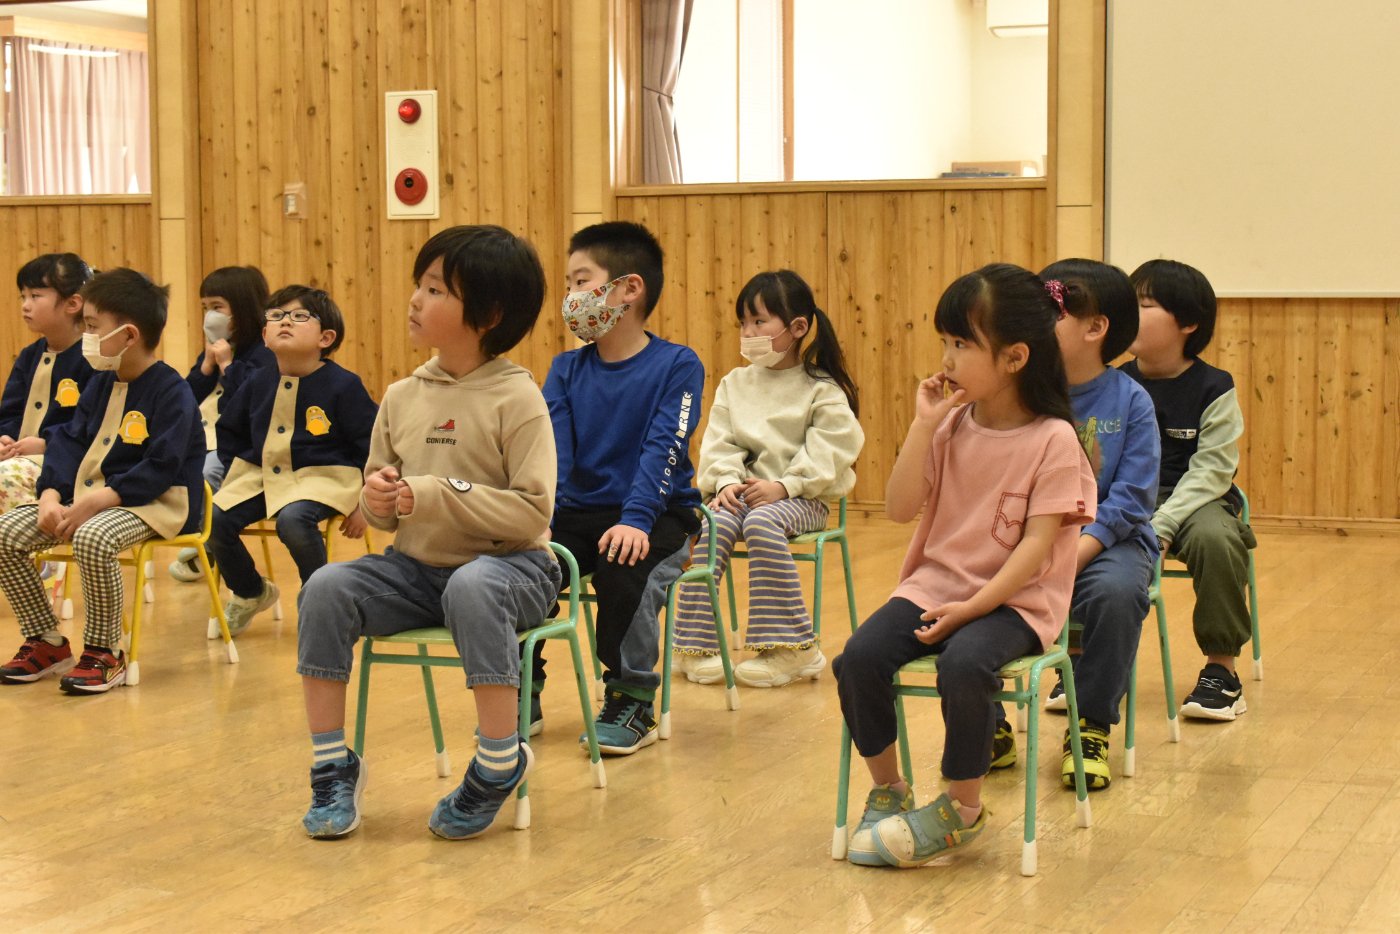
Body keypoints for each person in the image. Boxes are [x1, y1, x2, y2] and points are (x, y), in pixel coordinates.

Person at [295, 225, 559, 841]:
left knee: (473, 585)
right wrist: (378, 500)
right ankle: (332, 764)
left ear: (489, 314)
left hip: (513, 571)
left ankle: (500, 759)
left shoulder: (518, 397)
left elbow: (532, 513)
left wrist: (437, 493)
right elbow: (385, 510)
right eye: (420, 285)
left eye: (436, 289)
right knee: (326, 587)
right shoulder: (401, 396)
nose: (416, 299)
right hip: (416, 571)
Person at [833, 263, 1096, 868]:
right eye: (945, 342)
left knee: (965, 663)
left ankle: (963, 807)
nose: (946, 359)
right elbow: (899, 509)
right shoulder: (950, 424)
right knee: (860, 658)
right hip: (936, 586)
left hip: (1017, 602)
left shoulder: (1055, 439)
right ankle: (889, 789)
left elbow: (1035, 550)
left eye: (961, 344)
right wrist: (922, 427)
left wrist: (972, 609)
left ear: (1015, 358)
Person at [535, 220, 704, 755]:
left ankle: (632, 698)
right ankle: (518, 685)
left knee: (624, 566)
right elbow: (553, 456)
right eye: (568, 284)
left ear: (629, 288)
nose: (571, 297)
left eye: (581, 281)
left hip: (660, 513)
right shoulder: (565, 369)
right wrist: (539, 523)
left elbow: (664, 448)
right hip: (579, 512)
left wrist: (635, 519)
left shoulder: (678, 365)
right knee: (521, 563)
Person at [993, 258, 1158, 792]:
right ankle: (986, 719)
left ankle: (1089, 726)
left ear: (1096, 328)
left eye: (1052, 314)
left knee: (1115, 594)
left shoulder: (1131, 399)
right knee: (968, 578)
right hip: (1024, 535)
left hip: (1108, 542)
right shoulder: (1015, 391)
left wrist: (1072, 550)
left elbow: (1131, 498)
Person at [0, 268, 204, 694]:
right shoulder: (99, 385)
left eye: (93, 327)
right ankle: (46, 640)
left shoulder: (172, 391)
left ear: (128, 336)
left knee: (93, 536)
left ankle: (105, 651)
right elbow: (68, 443)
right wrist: (50, 494)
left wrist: (99, 500)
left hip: (156, 504)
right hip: (90, 499)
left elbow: (162, 466)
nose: (86, 337)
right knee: (6, 534)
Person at [672, 269, 863, 688]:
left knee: (762, 521)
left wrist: (785, 486)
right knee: (714, 524)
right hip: (745, 494)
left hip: (802, 499)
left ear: (798, 328)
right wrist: (725, 482)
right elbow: (719, 441)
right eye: (743, 323)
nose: (748, 332)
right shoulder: (735, 383)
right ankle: (692, 645)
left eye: (759, 321)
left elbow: (833, 448)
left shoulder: (821, 388)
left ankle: (792, 648)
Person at [1122, 259, 1256, 721]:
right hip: (1130, 497)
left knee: (1217, 539)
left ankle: (1222, 672)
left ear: (1188, 323)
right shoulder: (1115, 383)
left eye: (1145, 305)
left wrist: (1161, 526)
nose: (1130, 313)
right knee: (1081, 534)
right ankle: (1081, 662)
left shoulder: (1215, 387)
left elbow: (1211, 471)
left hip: (1199, 499)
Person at [206, 285, 376, 635]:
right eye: (277, 316)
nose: (285, 322)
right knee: (214, 519)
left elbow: (372, 446)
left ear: (325, 338)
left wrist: (365, 503)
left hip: (325, 479)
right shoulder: (257, 380)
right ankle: (250, 591)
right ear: (264, 335)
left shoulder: (344, 385)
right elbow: (230, 429)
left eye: (299, 316)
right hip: (262, 476)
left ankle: (321, 600)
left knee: (294, 520)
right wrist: (237, 472)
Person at [169, 265, 274, 581]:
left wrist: (228, 365)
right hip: (202, 439)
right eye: (205, 307)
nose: (209, 316)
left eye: (217, 307)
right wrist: (206, 366)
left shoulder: (264, 352)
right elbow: (184, 398)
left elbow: (250, 400)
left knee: (205, 473)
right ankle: (200, 541)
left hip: (240, 446)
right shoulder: (215, 348)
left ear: (242, 308)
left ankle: (204, 544)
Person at [0, 253, 95, 515]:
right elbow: (10, 411)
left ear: (73, 303)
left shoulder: (94, 359)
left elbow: (90, 425)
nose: (25, 305)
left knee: (4, 478)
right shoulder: (29, 356)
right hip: (19, 457)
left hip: (62, 461)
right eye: (23, 296)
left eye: (35, 296)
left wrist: (45, 443)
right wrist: (5, 438)